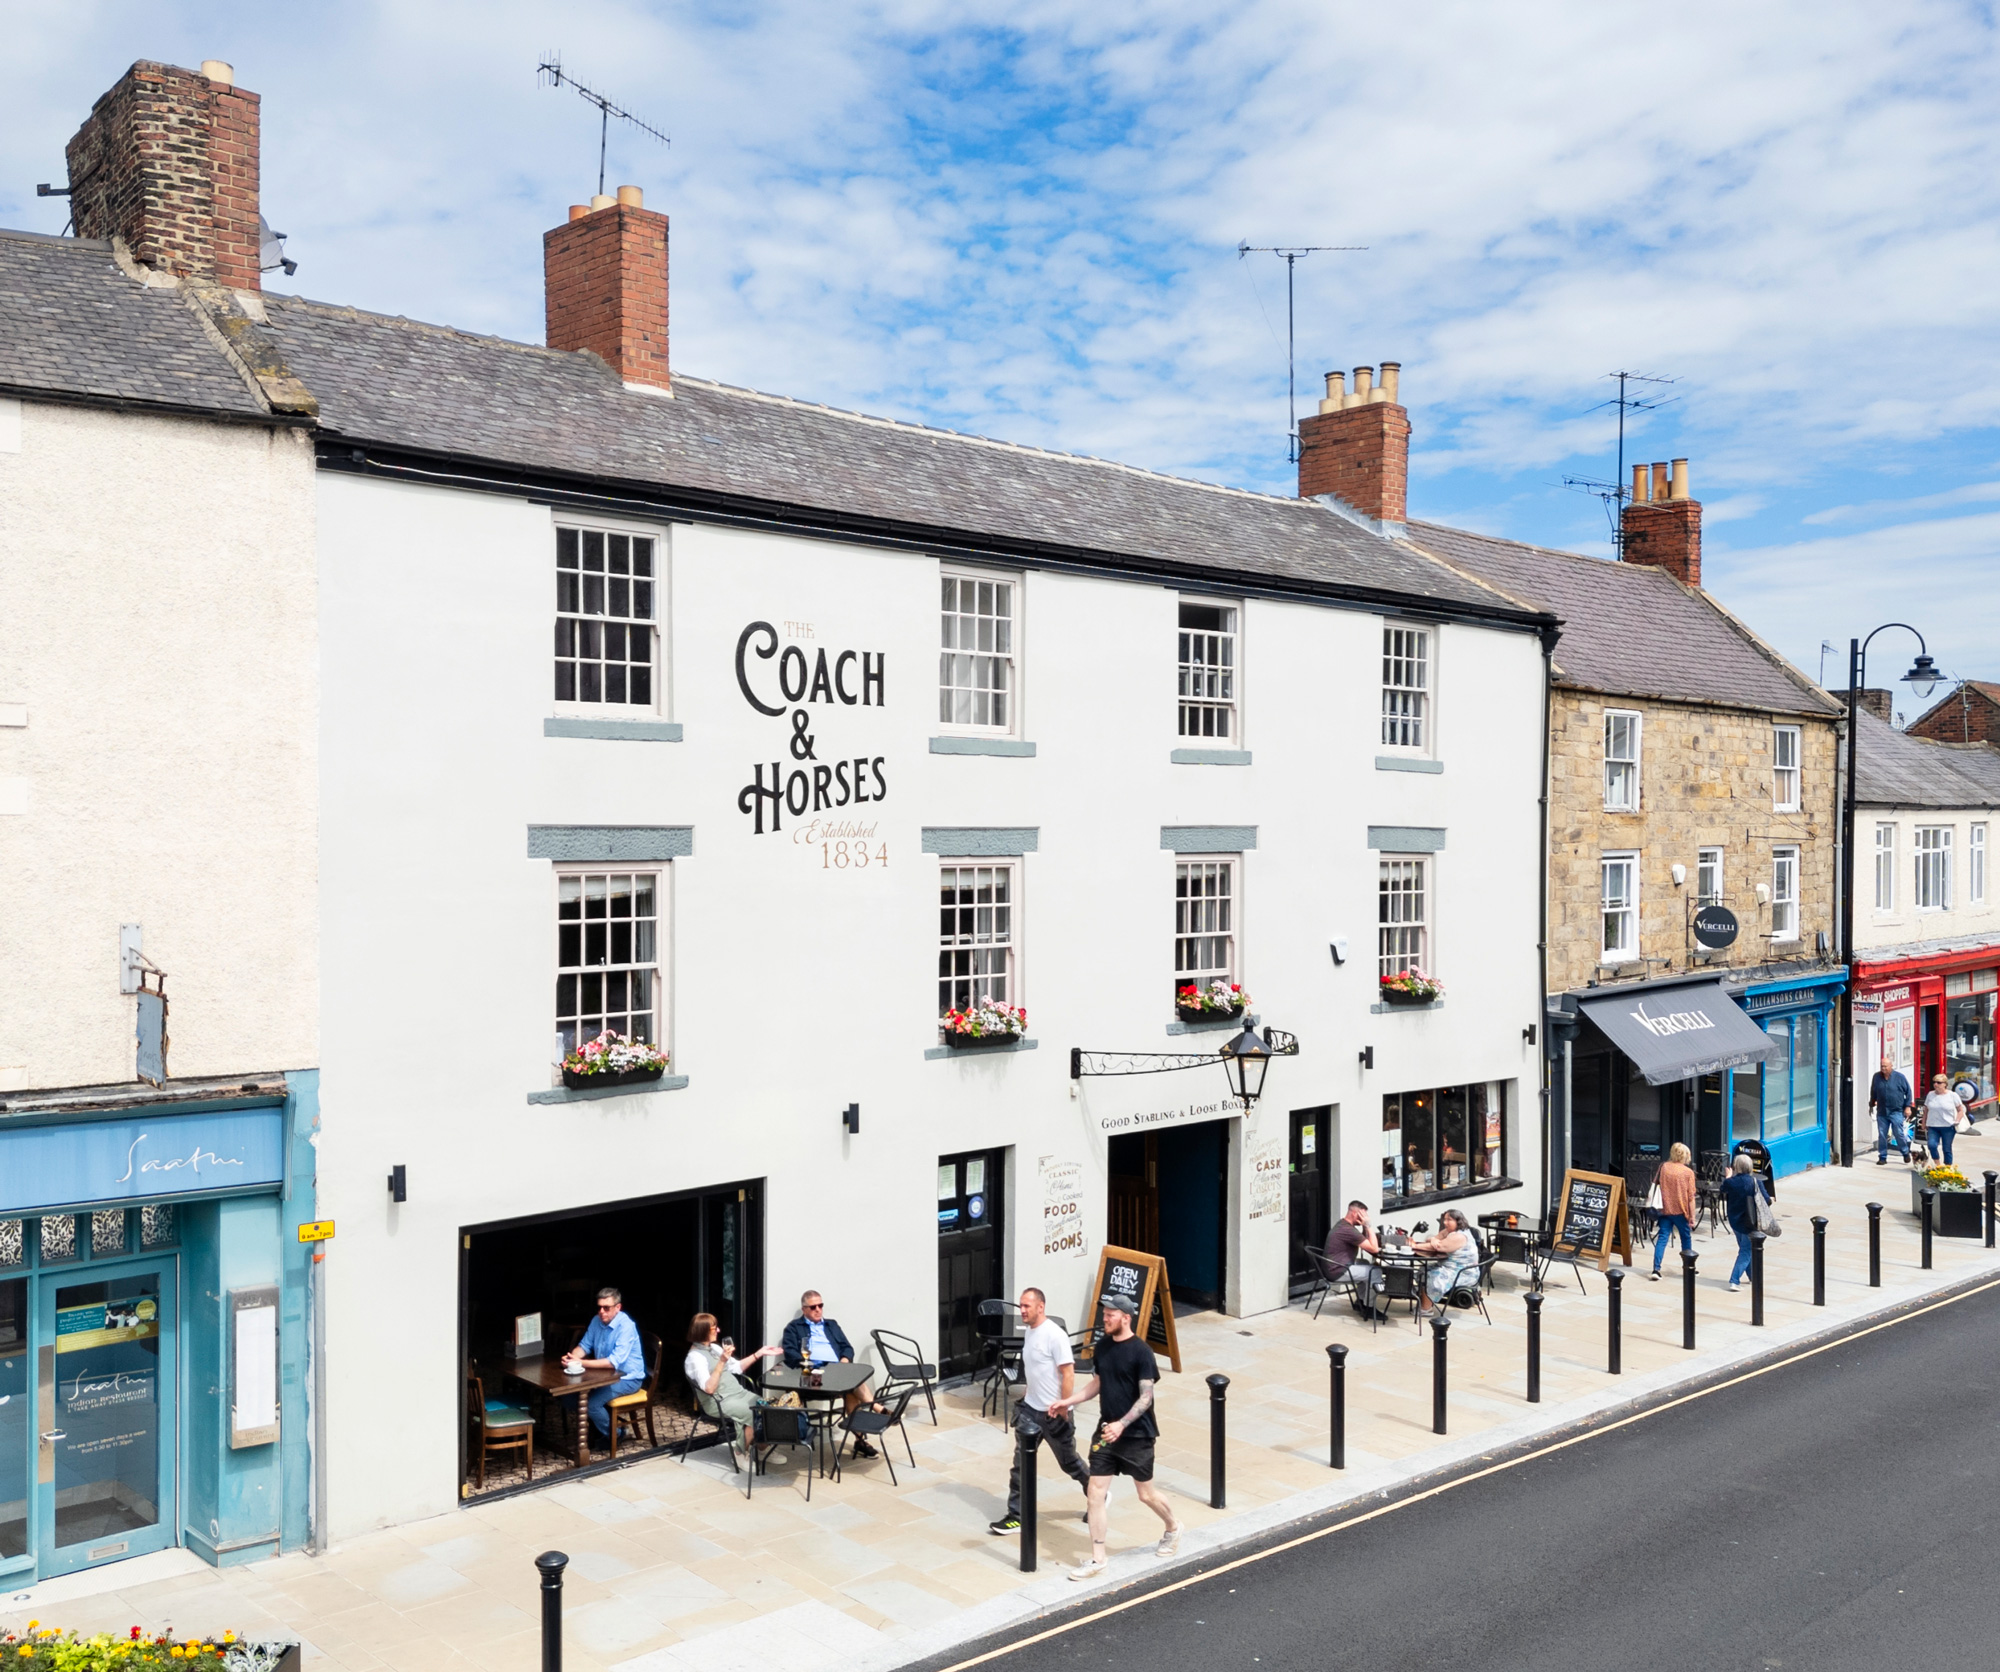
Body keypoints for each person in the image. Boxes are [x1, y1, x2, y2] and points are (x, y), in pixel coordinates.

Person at [1049, 1294, 1182, 1581]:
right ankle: (1098, 1559)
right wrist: (1068, 1402)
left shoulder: (1141, 1352)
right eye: (1105, 1313)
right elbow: (1098, 1382)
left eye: (1111, 1314)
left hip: (1137, 1434)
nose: (1105, 1318)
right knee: (1095, 1492)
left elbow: (1146, 1397)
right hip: (1106, 1432)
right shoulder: (1104, 1346)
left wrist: (1122, 1424)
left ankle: (1172, 1527)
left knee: (1145, 1494)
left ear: (1126, 1317)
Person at [988, 1287, 1091, 1536]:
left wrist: (1064, 1406)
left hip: (1054, 1413)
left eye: (1027, 1306)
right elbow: (1036, 1369)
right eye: (1021, 1306)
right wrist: (1026, 1396)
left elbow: (1068, 1372)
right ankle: (1016, 1516)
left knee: (1069, 1463)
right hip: (1030, 1411)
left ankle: (1097, 1493)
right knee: (1020, 1466)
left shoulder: (1055, 1335)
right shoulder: (1030, 1332)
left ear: (1041, 1307)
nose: (1022, 1311)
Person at [780, 1289, 878, 1457]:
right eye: (813, 1307)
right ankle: (877, 1409)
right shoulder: (793, 1328)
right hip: (812, 1376)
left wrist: (845, 1361)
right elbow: (790, 1353)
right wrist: (809, 1364)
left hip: (836, 1371)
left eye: (820, 1305)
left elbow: (847, 1347)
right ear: (804, 1309)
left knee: (852, 1387)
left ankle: (860, 1439)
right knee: (852, 1390)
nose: (818, 1309)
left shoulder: (831, 1324)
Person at [562, 1287, 648, 1452]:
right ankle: (597, 1429)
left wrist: (581, 1363)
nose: (602, 1312)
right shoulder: (596, 1320)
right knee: (568, 1398)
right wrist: (572, 1358)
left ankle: (617, 1433)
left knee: (592, 1404)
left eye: (606, 1308)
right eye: (599, 1307)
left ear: (618, 1307)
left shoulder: (626, 1326)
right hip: (602, 1376)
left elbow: (613, 1362)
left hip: (627, 1379)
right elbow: (584, 1346)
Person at [683, 1312, 780, 1430]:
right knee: (755, 1414)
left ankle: (757, 1442)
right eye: (714, 1328)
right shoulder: (695, 1358)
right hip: (719, 1402)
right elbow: (709, 1389)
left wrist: (760, 1353)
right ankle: (744, 1447)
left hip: (738, 1394)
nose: (718, 1330)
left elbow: (737, 1367)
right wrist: (722, 1362)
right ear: (703, 1331)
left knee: (768, 1408)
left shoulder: (714, 1348)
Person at [1411, 1208, 1480, 1318]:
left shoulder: (1460, 1236)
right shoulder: (1449, 1231)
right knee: (1423, 1270)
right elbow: (1432, 1240)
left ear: (1458, 1221)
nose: (1445, 1222)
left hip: (1463, 1272)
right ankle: (1424, 1301)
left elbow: (1440, 1247)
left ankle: (1426, 1309)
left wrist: (1414, 1246)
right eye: (1445, 1219)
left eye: (1449, 1220)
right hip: (1449, 1265)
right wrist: (1434, 1240)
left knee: (1433, 1276)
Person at [1324, 1199, 1386, 1318]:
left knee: (1365, 1263)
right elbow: (1373, 1248)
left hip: (1335, 1266)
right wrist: (1368, 1226)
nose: (1365, 1218)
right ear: (1354, 1213)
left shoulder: (1343, 1225)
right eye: (1363, 1215)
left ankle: (1361, 1302)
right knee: (1375, 1271)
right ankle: (1369, 1308)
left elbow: (1364, 1243)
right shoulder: (1348, 1230)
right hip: (1338, 1271)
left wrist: (1364, 1227)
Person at [1651, 1142, 1698, 1279]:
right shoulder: (1688, 1172)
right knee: (1686, 1238)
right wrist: (1692, 1217)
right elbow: (1691, 1197)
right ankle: (1688, 1266)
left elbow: (1658, 1184)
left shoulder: (1664, 1167)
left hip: (1664, 1210)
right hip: (1680, 1211)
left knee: (1662, 1238)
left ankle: (1656, 1269)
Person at [1720, 1154, 1763, 1291]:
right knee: (1745, 1251)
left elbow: (1723, 1189)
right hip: (1751, 1222)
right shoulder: (1755, 1182)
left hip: (1735, 1221)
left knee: (1745, 1248)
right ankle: (1734, 1280)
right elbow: (1766, 1200)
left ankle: (1752, 1276)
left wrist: (1728, 1176)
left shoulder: (1731, 1182)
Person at [1870, 1055, 1915, 1165]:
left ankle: (1905, 1152)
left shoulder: (1900, 1077)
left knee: (1898, 1133)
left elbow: (1908, 1092)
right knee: (1882, 1134)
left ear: (1891, 1066)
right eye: (1881, 1066)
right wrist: (1872, 1102)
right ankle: (1883, 1156)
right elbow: (1873, 1091)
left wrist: (1908, 1107)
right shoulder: (1876, 1077)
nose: (1883, 1068)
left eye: (1885, 1066)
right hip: (1882, 1111)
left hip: (1896, 1110)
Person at [1922, 1073, 1966, 1166]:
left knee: (1946, 1148)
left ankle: (1948, 1167)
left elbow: (1960, 1110)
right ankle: (1938, 1165)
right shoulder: (1930, 1094)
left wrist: (1957, 1120)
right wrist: (1923, 1122)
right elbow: (1926, 1110)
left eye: (1939, 1082)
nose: (1936, 1084)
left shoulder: (1952, 1095)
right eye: (1934, 1082)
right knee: (1932, 1145)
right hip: (1933, 1126)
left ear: (1945, 1084)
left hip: (1948, 1126)